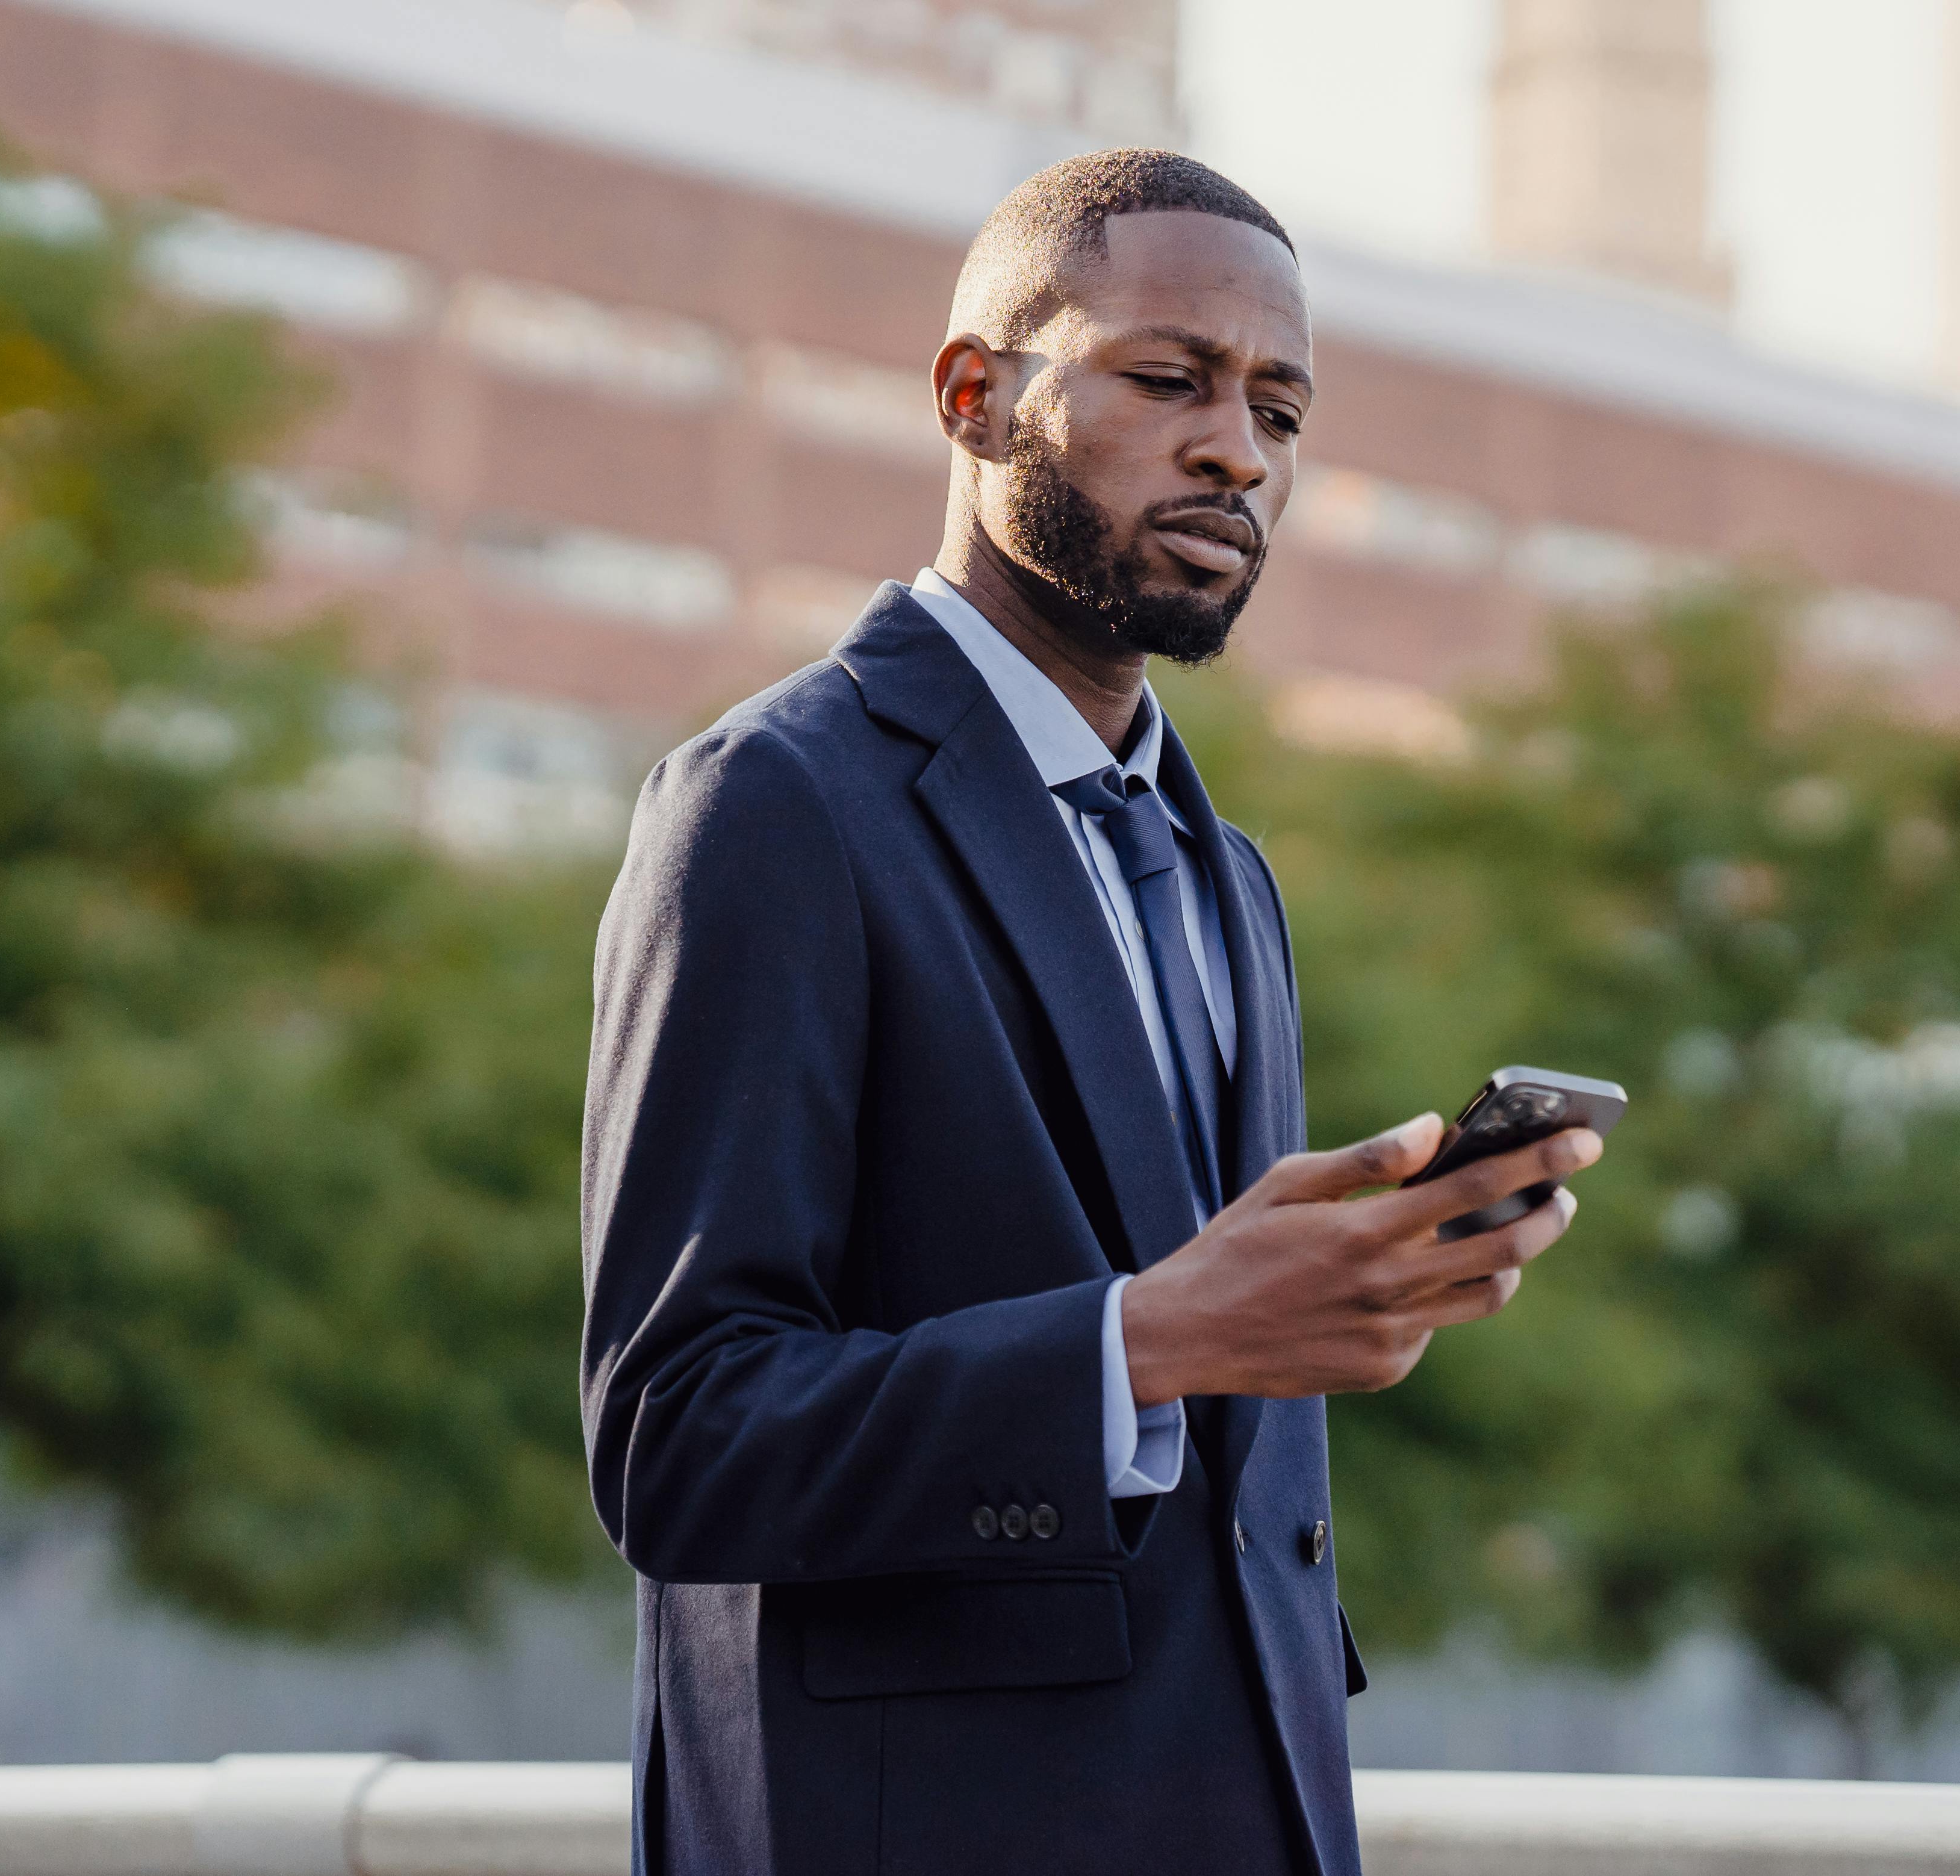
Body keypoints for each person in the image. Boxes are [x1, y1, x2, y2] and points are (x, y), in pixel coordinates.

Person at [577, 150, 1607, 1876]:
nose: (1238, 449)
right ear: (976, 398)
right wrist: (1141, 1341)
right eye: (1167, 378)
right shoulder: (771, 804)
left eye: (1279, 408)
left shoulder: (1228, 879)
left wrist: (1358, 1294)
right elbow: (682, 1440)